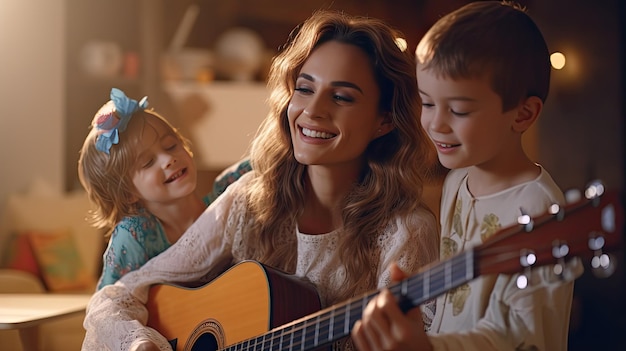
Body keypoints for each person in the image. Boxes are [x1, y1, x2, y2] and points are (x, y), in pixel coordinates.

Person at [81, 10, 440, 351]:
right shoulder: (248, 200)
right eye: (304, 88)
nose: (313, 111)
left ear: (384, 121)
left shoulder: (405, 232)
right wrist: (138, 342)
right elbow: (118, 296)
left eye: (342, 96)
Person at [351, 1, 583, 351]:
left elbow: (521, 337)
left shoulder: (538, 207)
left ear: (522, 115)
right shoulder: (457, 179)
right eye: (428, 103)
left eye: (458, 110)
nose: (435, 124)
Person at [78, 88, 251, 290]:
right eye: (148, 162)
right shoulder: (135, 236)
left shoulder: (228, 197)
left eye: (170, 146)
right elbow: (111, 302)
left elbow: (269, 157)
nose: (169, 159)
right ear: (127, 193)